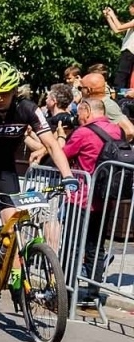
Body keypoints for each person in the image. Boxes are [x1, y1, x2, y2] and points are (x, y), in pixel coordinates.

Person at [0, 62, 78, 265]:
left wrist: (68, 176)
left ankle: (13, 275)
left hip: (5, 167)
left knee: (13, 225)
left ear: (15, 90)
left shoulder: (28, 109)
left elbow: (51, 144)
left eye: (4, 93)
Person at [61, 94, 122, 308]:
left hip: (81, 198)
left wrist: (61, 137)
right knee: (96, 247)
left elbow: (62, 155)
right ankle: (93, 294)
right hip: (105, 200)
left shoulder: (83, 132)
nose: (78, 118)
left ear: (86, 110)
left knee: (72, 247)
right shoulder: (117, 131)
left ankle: (66, 294)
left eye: (79, 113)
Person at [78, 71, 134, 139]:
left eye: (80, 88)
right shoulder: (92, 103)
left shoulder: (108, 105)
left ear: (88, 90)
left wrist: (107, 142)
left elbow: (130, 131)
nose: (80, 91)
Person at [103, 2, 134, 92]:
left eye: (131, 8)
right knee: (124, 74)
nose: (129, 10)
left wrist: (112, 14)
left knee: (122, 73)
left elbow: (119, 27)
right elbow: (117, 30)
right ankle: (121, 91)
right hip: (127, 51)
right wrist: (108, 17)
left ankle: (119, 92)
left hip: (130, 50)